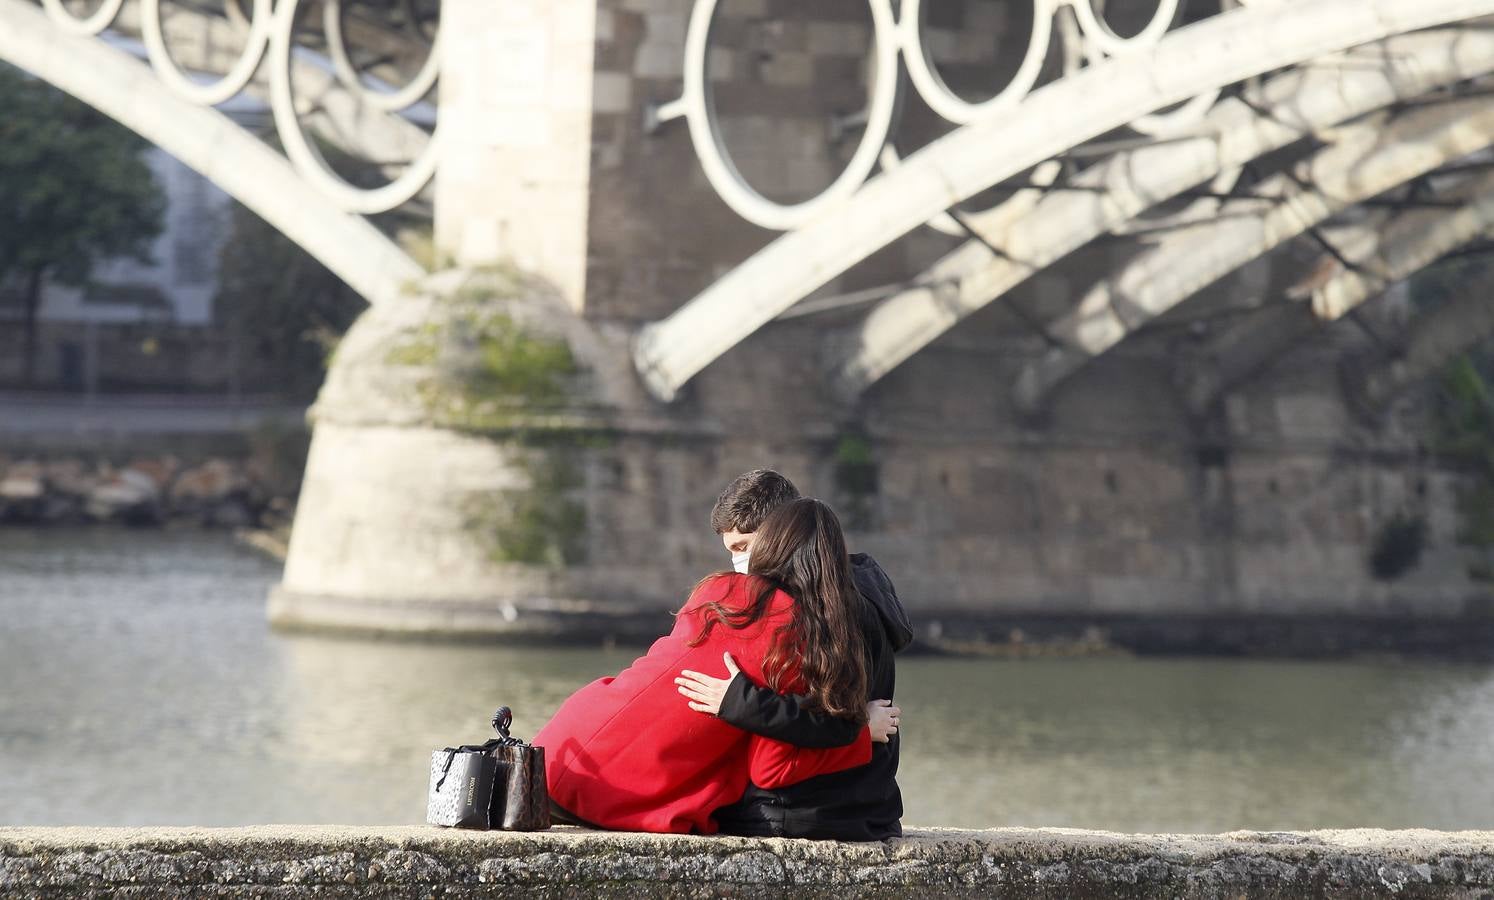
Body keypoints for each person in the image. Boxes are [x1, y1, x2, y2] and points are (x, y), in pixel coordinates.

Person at [533, 497, 898, 834]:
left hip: (556, 750)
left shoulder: (716, 590)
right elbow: (772, 767)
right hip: (618, 792)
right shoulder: (799, 635)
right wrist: (859, 732)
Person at [674, 469, 913, 841]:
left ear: (781, 531)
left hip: (795, 811)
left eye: (743, 547)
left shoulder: (804, 607)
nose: (740, 563)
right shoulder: (860, 590)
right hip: (872, 810)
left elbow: (817, 718)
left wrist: (737, 700)